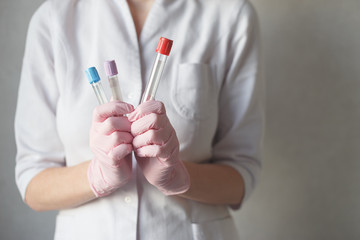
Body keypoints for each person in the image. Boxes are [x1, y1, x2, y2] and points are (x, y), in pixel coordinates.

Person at [15, 0, 264, 239]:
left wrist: (181, 177)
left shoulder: (230, 14)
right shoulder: (54, 18)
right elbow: (33, 184)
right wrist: (96, 176)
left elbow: (242, 174)